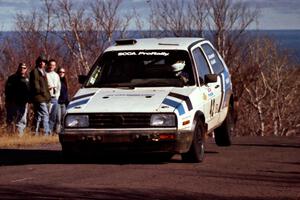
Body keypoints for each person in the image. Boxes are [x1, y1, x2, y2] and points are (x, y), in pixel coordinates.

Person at [5, 63, 30, 136]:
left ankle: (19, 136)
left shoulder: (27, 79)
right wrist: (9, 101)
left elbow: (29, 91)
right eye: (21, 67)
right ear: (18, 68)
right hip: (13, 102)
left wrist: (28, 100)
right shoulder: (12, 78)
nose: (22, 69)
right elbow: (7, 90)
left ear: (26, 69)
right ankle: (9, 136)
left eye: (24, 68)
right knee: (11, 120)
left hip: (24, 103)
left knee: (22, 121)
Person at [29, 54, 51, 136]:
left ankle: (35, 133)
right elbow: (36, 85)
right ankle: (46, 133)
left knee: (38, 115)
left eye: (44, 62)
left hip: (42, 97)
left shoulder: (44, 72)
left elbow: (45, 85)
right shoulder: (35, 71)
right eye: (41, 61)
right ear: (38, 62)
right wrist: (44, 93)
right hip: (39, 97)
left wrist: (47, 95)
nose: (42, 63)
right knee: (45, 114)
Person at [46, 59, 61, 133]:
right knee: (47, 116)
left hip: (55, 98)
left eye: (53, 65)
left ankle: (50, 131)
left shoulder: (56, 75)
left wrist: (57, 97)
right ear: (48, 65)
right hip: (47, 98)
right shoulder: (45, 74)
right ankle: (46, 131)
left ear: (55, 66)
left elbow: (58, 87)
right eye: (50, 65)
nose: (51, 66)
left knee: (53, 117)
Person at [56, 67, 69, 133]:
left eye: (63, 72)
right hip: (57, 102)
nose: (62, 73)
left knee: (63, 119)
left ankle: (62, 132)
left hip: (64, 103)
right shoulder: (56, 81)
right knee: (58, 119)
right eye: (60, 72)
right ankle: (57, 133)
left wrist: (67, 102)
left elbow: (66, 93)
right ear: (58, 73)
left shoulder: (65, 82)